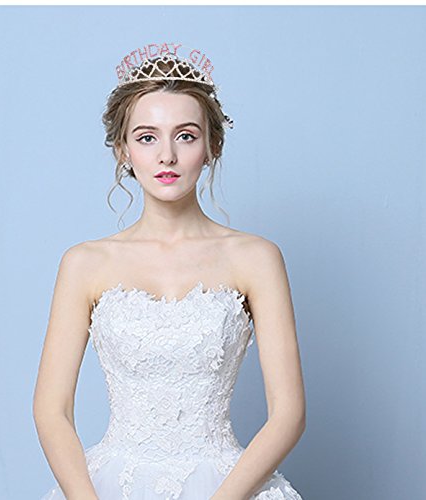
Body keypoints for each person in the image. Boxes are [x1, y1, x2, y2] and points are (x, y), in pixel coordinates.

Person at [33, 42, 306, 500]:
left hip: (226, 487)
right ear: (123, 150)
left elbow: (289, 414)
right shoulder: (84, 263)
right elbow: (51, 410)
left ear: (212, 146)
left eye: (185, 136)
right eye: (147, 137)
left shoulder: (256, 258)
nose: (167, 156)